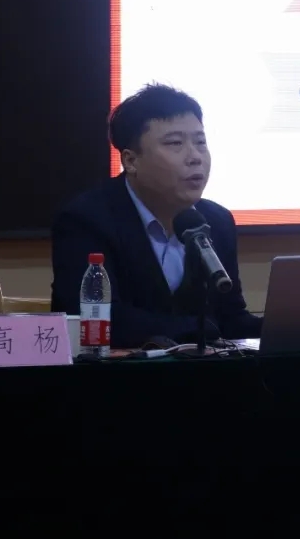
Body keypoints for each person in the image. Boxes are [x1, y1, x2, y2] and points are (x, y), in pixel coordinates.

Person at [50, 83, 262, 348]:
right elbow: (96, 318)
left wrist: (289, 325)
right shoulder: (86, 220)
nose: (195, 157)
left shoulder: (217, 220)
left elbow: (230, 318)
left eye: (200, 142)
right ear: (131, 161)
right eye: (175, 143)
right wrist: (196, 330)